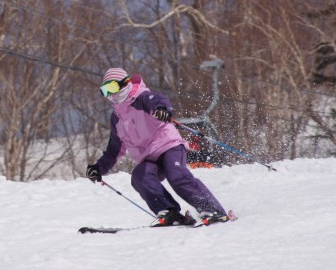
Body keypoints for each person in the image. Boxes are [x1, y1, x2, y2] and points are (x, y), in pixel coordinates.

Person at [86, 67, 230, 226]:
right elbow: (114, 149)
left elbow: (158, 100)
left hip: (169, 146)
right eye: (105, 90)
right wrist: (98, 168)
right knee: (140, 176)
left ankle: (213, 210)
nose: (110, 94)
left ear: (124, 83)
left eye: (112, 88)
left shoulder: (142, 98)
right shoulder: (116, 118)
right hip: (148, 157)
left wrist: (163, 110)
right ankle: (169, 212)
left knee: (176, 175)